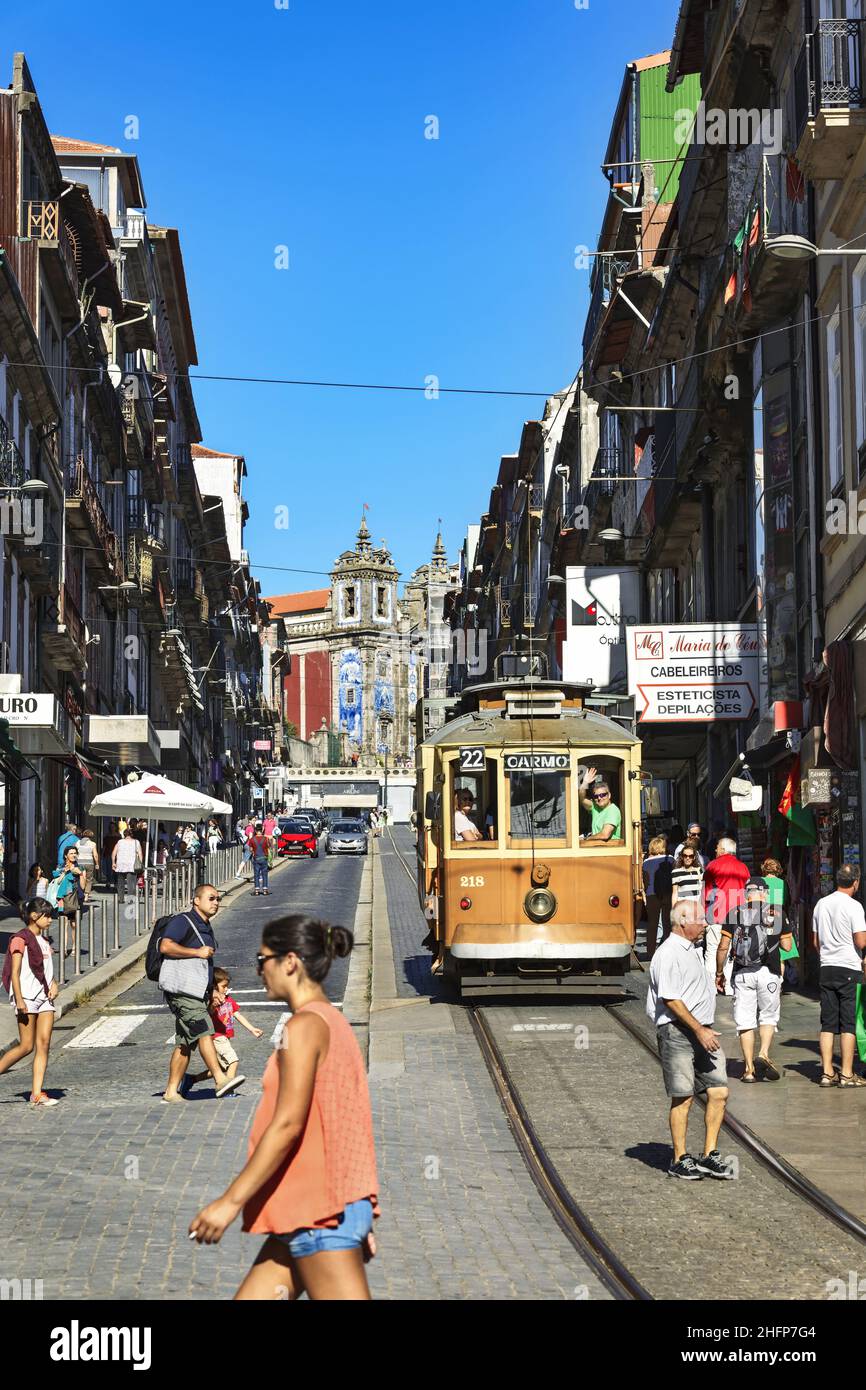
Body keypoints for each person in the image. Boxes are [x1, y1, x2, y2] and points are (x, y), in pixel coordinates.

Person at [189, 915, 380, 1301]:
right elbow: (341, 1120)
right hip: (315, 1208)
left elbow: (288, 1123)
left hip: (320, 1213)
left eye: (263, 961)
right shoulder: (333, 1021)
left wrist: (229, 1203)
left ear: (289, 962)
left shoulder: (303, 1027)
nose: (259, 971)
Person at [646, 898, 733, 1180]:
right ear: (682, 921)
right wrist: (698, 1029)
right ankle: (679, 1158)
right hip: (679, 1032)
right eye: (700, 919)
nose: (705, 924)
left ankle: (709, 1155)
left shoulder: (692, 949)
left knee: (719, 1092)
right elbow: (670, 999)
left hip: (703, 1031)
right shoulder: (668, 952)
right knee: (683, 1097)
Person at [159, 883, 246, 1103]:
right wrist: (196, 952)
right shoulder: (183, 921)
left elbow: (205, 965)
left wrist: (213, 991)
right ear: (196, 901)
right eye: (211, 898)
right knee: (204, 1030)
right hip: (183, 992)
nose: (216, 902)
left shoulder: (206, 926)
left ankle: (171, 1091)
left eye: (218, 898)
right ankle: (220, 1079)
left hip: (198, 992)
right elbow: (165, 946)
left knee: (185, 1042)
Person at [716, 876, 792, 1083]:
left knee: (745, 1022)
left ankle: (748, 1069)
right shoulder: (776, 911)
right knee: (768, 1016)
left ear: (746, 894)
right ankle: (764, 1054)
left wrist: (719, 973)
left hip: (742, 973)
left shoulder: (735, 912)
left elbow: (723, 946)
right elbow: (787, 946)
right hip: (769, 972)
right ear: (764, 892)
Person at [0, 898, 60, 1106]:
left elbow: (45, 971)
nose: (51, 920)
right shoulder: (20, 939)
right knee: (26, 1045)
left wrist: (54, 983)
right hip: (26, 996)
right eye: (47, 916)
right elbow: (14, 973)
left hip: (44, 997)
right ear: (35, 916)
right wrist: (19, 1000)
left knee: (43, 1044)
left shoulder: (44, 942)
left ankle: (36, 1093)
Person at [812, 864, 866, 1087]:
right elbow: (861, 941)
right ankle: (846, 1073)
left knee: (828, 1023)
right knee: (848, 1023)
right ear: (856, 882)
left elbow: (815, 942)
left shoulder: (821, 904)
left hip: (827, 967)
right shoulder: (854, 907)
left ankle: (826, 1073)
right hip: (848, 969)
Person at [186, 967, 264, 1088]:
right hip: (217, 1037)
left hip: (225, 1037)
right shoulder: (212, 1001)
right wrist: (213, 1005)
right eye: (223, 986)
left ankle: (191, 1080)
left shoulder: (228, 999)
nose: (226, 989)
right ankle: (228, 1088)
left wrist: (252, 1029)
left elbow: (237, 1014)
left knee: (220, 1067)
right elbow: (208, 1014)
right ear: (214, 986)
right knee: (233, 1061)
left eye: (227, 986)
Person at [702, 837, 750, 989]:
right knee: (732, 951)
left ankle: (711, 985)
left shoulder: (712, 866)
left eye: (717, 847)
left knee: (712, 950)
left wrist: (703, 915)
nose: (715, 850)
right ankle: (728, 985)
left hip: (716, 914)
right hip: (736, 915)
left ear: (723, 849)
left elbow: (706, 893)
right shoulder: (743, 867)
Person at [642, 835, 674, 961]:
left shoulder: (646, 862)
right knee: (667, 923)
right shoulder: (670, 859)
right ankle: (668, 951)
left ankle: (651, 953)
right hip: (667, 893)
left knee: (652, 924)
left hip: (652, 894)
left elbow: (645, 880)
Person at [52, 847, 84, 958]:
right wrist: (65, 872)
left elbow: (83, 886)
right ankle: (64, 949)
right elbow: (58, 882)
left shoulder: (80, 867)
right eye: (71, 853)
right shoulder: (60, 867)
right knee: (64, 923)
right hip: (63, 898)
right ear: (66, 855)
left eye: (75, 853)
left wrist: (80, 874)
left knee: (74, 924)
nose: (73, 855)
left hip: (75, 898)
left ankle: (75, 947)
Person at [578, 767, 622, 842]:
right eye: (596, 796)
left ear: (609, 795)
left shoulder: (613, 810)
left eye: (603, 795)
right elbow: (582, 798)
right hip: (597, 848)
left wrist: (586, 839)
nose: (599, 798)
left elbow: (605, 835)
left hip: (611, 850)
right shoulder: (595, 807)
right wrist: (585, 782)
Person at [112, 828, 143, 903]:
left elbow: (113, 853)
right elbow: (140, 854)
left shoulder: (119, 842)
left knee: (120, 882)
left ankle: (121, 899)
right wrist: (140, 864)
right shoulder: (136, 842)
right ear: (132, 834)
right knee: (131, 883)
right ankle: (130, 899)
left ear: (124, 834)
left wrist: (113, 862)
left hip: (121, 864)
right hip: (131, 865)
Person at [670, 841, 704, 909]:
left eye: (690, 856)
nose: (687, 858)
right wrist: (674, 909)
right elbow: (675, 893)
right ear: (682, 857)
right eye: (685, 856)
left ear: (694, 857)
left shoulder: (699, 870)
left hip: (696, 907)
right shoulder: (676, 872)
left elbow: (702, 890)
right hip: (682, 907)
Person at [75, 828, 98, 901]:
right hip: (89, 863)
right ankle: (86, 896)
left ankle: (81, 892)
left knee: (81, 877)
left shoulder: (77, 842)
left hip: (80, 862)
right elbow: (95, 855)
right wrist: (97, 864)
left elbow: (75, 853)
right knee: (89, 879)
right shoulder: (93, 844)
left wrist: (76, 861)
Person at [250, 823, 272, 897]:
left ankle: (257, 890)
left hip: (256, 858)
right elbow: (269, 846)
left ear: (255, 831)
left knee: (256, 875)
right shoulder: (266, 839)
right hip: (264, 858)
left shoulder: (252, 839)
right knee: (264, 874)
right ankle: (265, 890)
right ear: (262, 830)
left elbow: (250, 849)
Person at [101, 821, 120, 889]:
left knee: (115, 869)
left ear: (115, 828)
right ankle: (108, 882)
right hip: (108, 854)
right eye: (111, 827)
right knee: (108, 869)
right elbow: (104, 846)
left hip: (117, 855)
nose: (112, 828)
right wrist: (102, 854)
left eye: (113, 827)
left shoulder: (118, 836)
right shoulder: (107, 836)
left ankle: (115, 883)